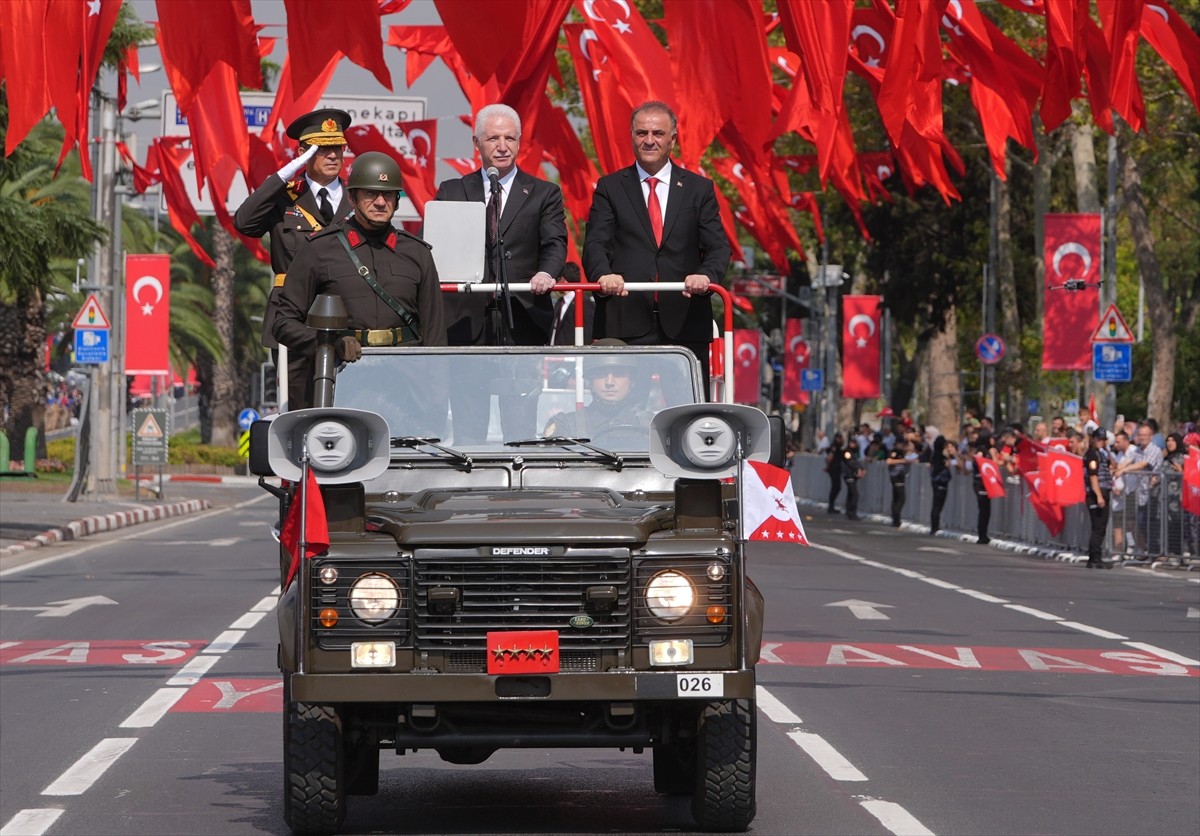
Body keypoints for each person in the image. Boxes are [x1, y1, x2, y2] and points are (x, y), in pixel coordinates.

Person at [273, 152, 446, 409]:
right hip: (343, 380)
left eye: (388, 195)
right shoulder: (320, 250)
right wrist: (329, 344)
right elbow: (283, 322)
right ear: (352, 198)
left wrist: (436, 403)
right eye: (370, 194)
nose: (380, 202)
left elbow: (435, 334)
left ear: (397, 202)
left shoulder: (417, 253)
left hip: (407, 387)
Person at [583, 101, 731, 399]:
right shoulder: (610, 187)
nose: (649, 140)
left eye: (658, 133)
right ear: (632, 136)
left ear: (672, 139)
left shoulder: (698, 189)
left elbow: (718, 248)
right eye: (641, 133)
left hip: (685, 319)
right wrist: (603, 275)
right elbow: (595, 244)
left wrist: (706, 276)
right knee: (622, 412)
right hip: (624, 317)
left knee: (686, 409)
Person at [235, 108, 354, 408]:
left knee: (348, 406)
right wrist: (284, 175)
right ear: (303, 152)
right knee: (298, 410)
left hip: (348, 313)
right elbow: (244, 222)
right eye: (321, 148)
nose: (332, 155)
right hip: (294, 315)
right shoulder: (285, 197)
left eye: (337, 147)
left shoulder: (358, 199)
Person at [433, 103, 567, 346]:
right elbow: (433, 246)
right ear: (476, 142)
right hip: (464, 318)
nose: (503, 147)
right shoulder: (451, 190)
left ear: (519, 141)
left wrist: (546, 273)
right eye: (493, 138)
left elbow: (555, 243)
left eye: (510, 138)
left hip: (524, 316)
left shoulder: (544, 193)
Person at [542, 352, 653, 443]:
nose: (609, 382)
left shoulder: (653, 424)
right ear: (590, 382)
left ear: (632, 382)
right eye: (601, 374)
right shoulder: (566, 425)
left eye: (618, 373)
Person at [1083, 427, 1115, 568]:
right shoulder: (1092, 454)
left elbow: (1114, 465)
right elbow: (1093, 477)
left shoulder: (1102, 454)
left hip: (1103, 491)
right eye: (1098, 439)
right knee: (1098, 527)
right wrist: (1099, 496)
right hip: (1097, 493)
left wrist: (1107, 449)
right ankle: (1094, 558)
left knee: (1101, 526)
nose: (1101, 442)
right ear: (1093, 439)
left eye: (1103, 439)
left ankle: (1096, 557)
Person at [550, 262, 595, 346]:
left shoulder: (584, 303)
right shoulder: (559, 302)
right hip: (555, 354)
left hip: (574, 354)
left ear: (563, 280)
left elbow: (588, 332)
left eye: (558, 278)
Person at [929, 435, 956, 534]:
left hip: (938, 482)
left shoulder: (936, 455)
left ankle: (935, 526)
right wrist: (944, 465)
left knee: (937, 505)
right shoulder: (938, 456)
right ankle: (934, 527)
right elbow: (937, 468)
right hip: (940, 482)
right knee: (937, 505)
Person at [886, 437, 915, 527]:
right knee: (900, 498)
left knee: (897, 498)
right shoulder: (895, 452)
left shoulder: (905, 453)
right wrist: (903, 461)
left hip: (901, 477)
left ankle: (895, 519)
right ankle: (896, 519)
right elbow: (889, 461)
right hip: (896, 476)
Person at [842, 444, 866, 521]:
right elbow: (850, 463)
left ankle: (849, 512)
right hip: (849, 476)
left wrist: (861, 468)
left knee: (851, 494)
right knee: (854, 495)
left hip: (853, 476)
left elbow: (857, 462)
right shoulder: (847, 453)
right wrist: (858, 468)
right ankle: (852, 513)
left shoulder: (855, 453)